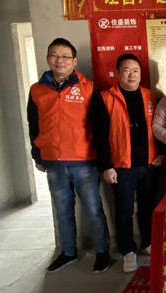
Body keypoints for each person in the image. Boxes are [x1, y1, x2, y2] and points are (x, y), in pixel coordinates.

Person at [27, 38, 110, 273]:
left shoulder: (88, 88)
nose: (59, 60)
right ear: (47, 59)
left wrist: (104, 161)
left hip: (84, 161)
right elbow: (33, 124)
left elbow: (101, 127)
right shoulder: (37, 90)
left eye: (65, 56)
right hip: (53, 162)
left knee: (94, 210)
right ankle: (68, 252)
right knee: (62, 212)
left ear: (74, 61)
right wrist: (38, 155)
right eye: (54, 55)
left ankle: (102, 252)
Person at [94, 53, 165, 273]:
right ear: (117, 73)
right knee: (124, 210)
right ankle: (128, 250)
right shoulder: (106, 98)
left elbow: (161, 127)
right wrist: (106, 166)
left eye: (135, 71)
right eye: (126, 70)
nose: (131, 75)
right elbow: (99, 136)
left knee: (148, 207)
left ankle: (147, 243)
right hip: (121, 167)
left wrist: (162, 153)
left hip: (149, 164)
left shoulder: (149, 96)